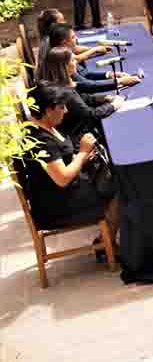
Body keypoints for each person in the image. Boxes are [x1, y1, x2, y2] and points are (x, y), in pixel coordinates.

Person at [21, 85, 120, 249]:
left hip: (66, 191)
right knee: (121, 188)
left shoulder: (48, 127)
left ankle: (107, 240)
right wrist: (82, 153)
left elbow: (61, 161)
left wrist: (81, 157)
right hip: (58, 206)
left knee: (115, 177)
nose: (66, 111)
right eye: (61, 107)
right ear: (47, 110)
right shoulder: (41, 141)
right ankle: (106, 243)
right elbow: (62, 178)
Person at [38, 47, 123, 142]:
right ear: (64, 66)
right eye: (73, 60)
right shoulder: (64, 91)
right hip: (77, 137)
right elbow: (90, 115)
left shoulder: (60, 82)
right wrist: (114, 105)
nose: (76, 62)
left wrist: (104, 98)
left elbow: (83, 98)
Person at [41, 23, 140, 93]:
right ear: (64, 43)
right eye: (73, 37)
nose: (77, 39)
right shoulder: (61, 59)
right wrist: (120, 81)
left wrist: (110, 74)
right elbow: (89, 85)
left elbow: (86, 74)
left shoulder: (63, 53)